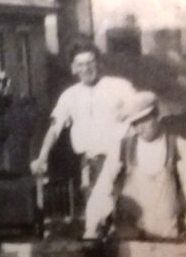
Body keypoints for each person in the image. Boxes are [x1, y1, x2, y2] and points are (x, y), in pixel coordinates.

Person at [84, 91, 186, 241]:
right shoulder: (122, 149)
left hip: (167, 236)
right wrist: (91, 229)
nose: (140, 129)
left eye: (144, 121)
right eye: (134, 124)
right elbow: (102, 189)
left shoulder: (178, 146)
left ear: (157, 115)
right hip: (129, 241)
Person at [30, 39, 137, 195]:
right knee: (97, 214)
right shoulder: (69, 96)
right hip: (92, 164)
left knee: (126, 213)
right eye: (80, 64)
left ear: (99, 63)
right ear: (73, 68)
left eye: (90, 63)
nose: (86, 69)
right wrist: (42, 156)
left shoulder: (120, 86)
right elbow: (54, 128)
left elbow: (140, 115)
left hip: (123, 161)